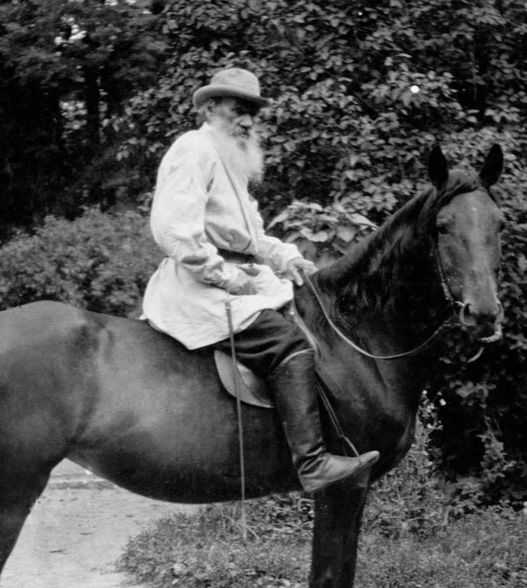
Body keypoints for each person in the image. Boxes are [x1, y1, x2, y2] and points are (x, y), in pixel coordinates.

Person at [142, 67, 378, 493]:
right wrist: (227, 277)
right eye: (238, 110)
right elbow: (175, 231)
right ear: (209, 109)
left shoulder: (229, 160)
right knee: (288, 343)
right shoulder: (194, 150)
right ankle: (312, 464)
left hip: (238, 278)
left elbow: (250, 237)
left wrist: (287, 257)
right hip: (199, 285)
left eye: (253, 112)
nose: (248, 121)